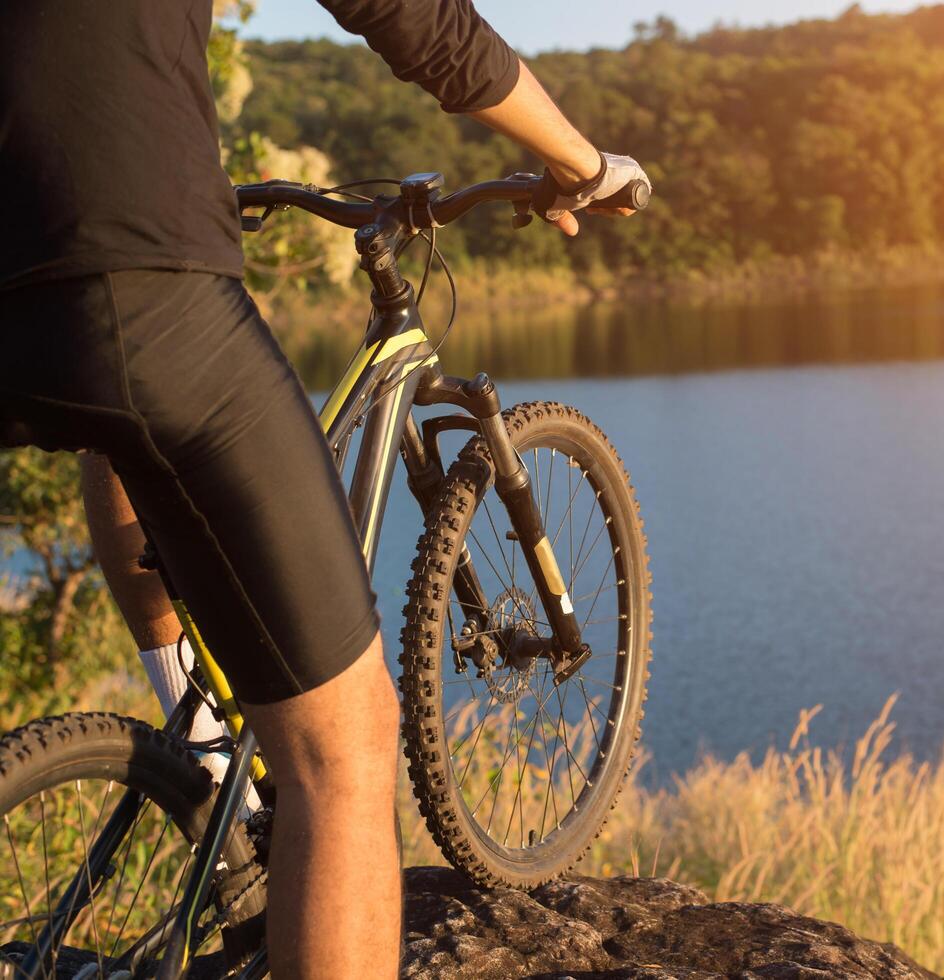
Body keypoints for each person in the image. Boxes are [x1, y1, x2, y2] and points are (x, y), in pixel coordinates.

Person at [0, 2, 649, 977]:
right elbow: (415, 18)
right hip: (134, 276)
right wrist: (579, 159)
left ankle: (201, 731)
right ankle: (234, 759)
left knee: (120, 429)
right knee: (340, 754)